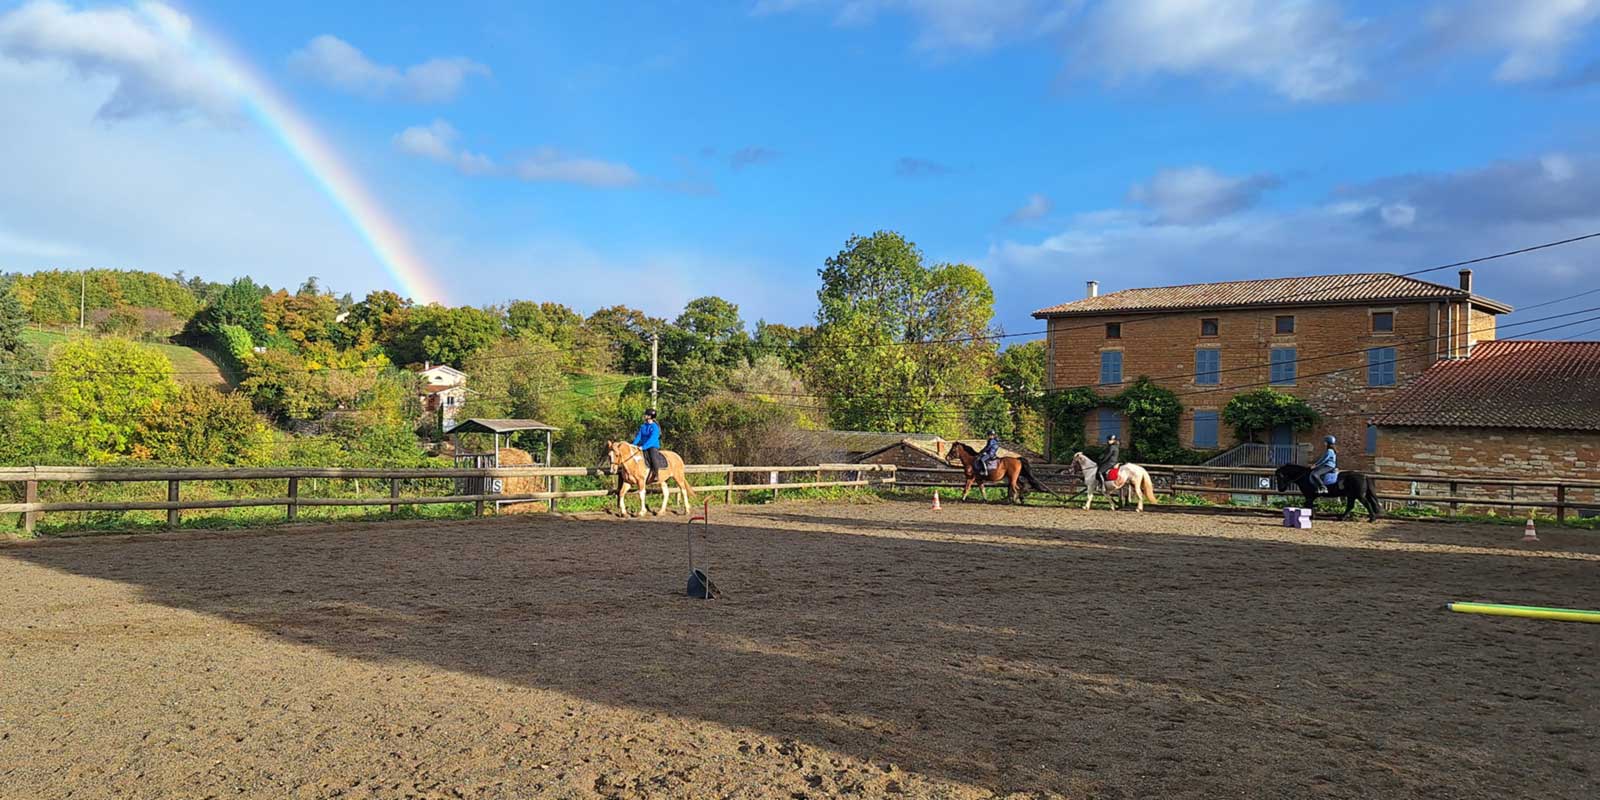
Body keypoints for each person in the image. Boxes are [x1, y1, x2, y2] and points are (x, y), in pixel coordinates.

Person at [631, 408, 663, 484]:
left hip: (652, 446)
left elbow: (653, 439)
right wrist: (633, 445)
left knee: (653, 457)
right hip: (642, 446)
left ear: (649, 416)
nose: (644, 416)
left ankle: (656, 474)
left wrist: (644, 447)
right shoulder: (643, 426)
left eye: (646, 414)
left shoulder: (654, 427)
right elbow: (639, 436)